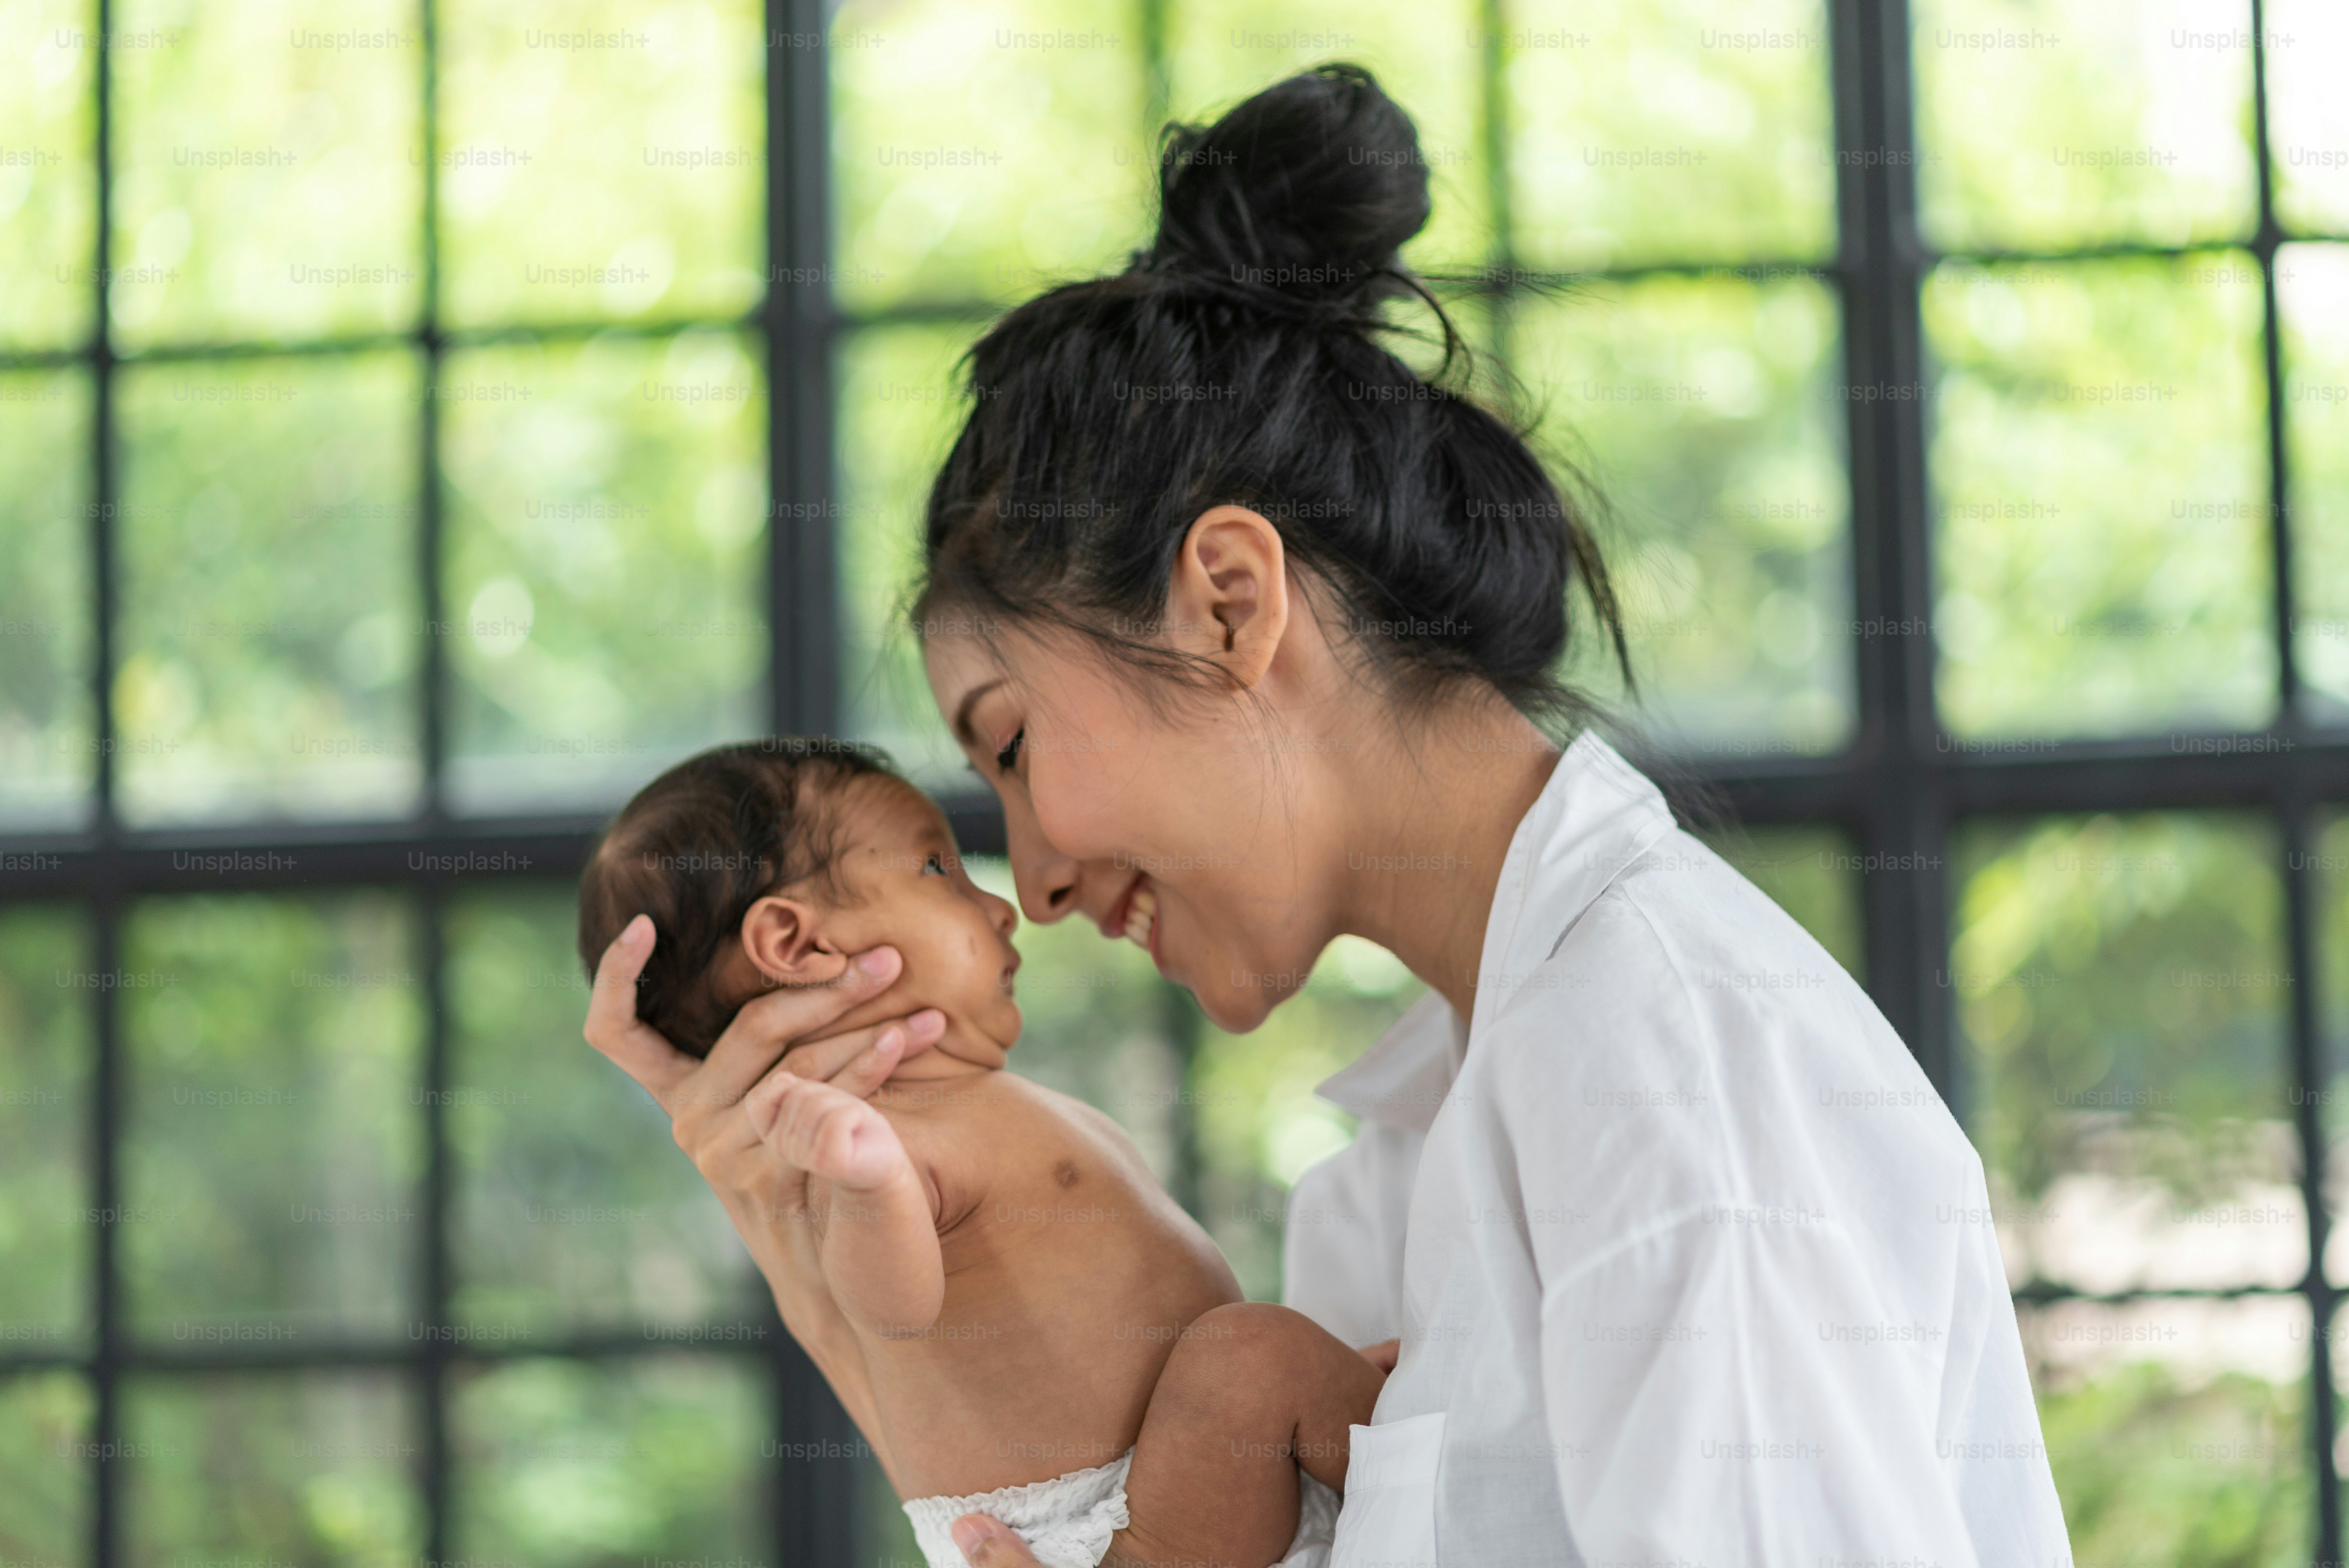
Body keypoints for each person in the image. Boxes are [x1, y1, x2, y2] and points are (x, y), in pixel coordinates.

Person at [587, 64, 2070, 1567]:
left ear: (1231, 601)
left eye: (1015, 747)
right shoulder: (1402, 1166)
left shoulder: (1655, 1059)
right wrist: (891, 1361)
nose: (1026, 882)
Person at [574, 739, 1382, 1568]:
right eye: (938, 869)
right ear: (797, 944)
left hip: (1188, 1483)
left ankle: (1366, 1422)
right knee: (1254, 1359)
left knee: (1275, 1365)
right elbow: (890, 1306)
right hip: (1117, 1529)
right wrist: (868, 1179)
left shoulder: (963, 1101)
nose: (1001, 907)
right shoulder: (863, 1141)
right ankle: (1410, 1436)